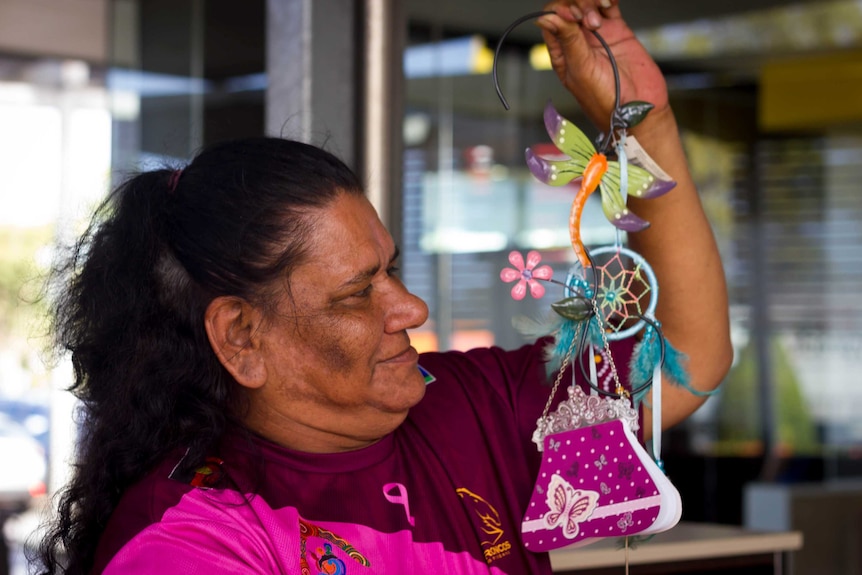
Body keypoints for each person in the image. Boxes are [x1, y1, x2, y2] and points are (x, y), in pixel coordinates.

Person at [35, 0, 731, 573]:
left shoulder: (470, 404)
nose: (412, 307)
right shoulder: (191, 541)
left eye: (390, 268)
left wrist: (645, 122)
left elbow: (688, 354)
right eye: (355, 292)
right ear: (242, 337)